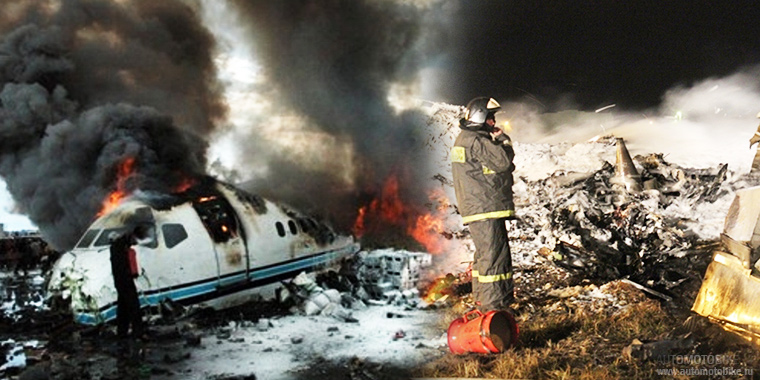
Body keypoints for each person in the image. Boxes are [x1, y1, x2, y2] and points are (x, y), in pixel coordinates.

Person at [451, 97, 516, 311]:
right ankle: (495, 306)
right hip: (485, 206)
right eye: (491, 118)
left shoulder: (466, 138)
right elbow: (503, 162)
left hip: (478, 206)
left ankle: (482, 300)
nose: (493, 123)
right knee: (495, 256)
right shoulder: (476, 140)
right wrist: (504, 141)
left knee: (484, 256)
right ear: (480, 117)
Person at [109, 226, 144, 339]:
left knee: (122, 307)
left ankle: (122, 332)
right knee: (133, 306)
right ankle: (137, 332)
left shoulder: (114, 250)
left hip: (119, 282)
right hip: (126, 280)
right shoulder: (121, 250)